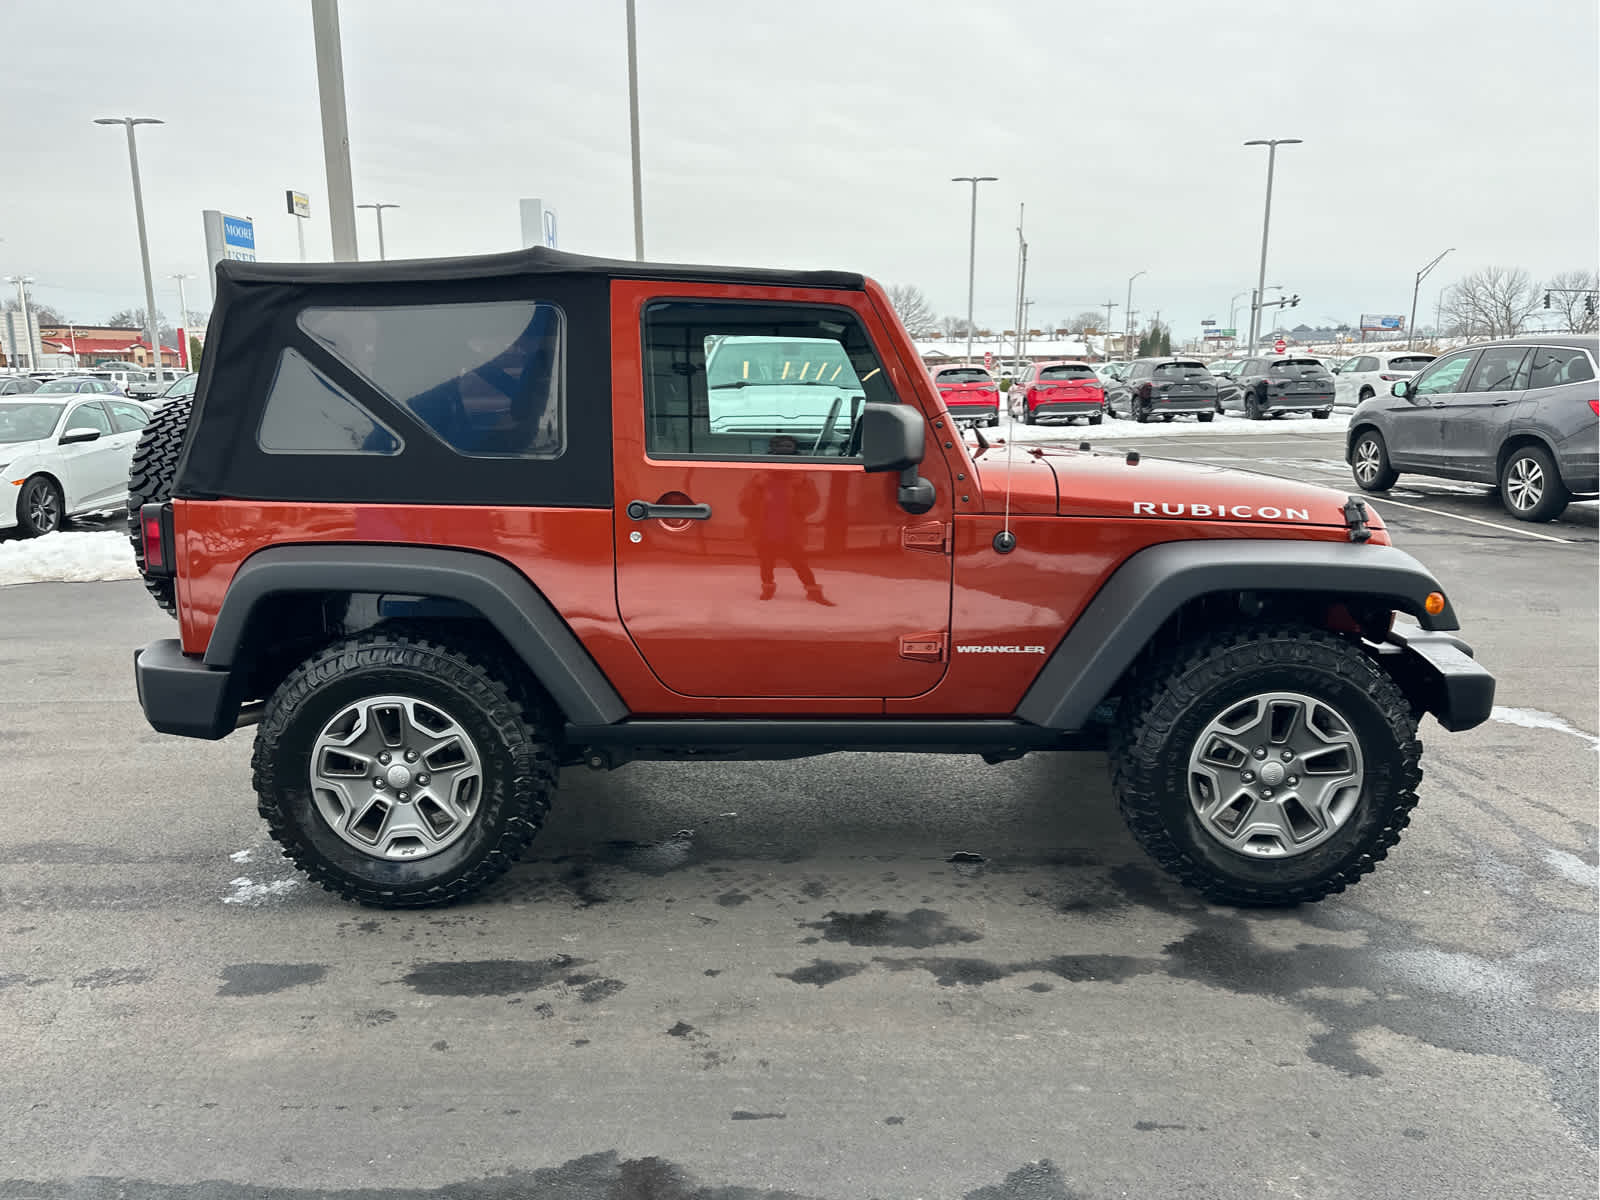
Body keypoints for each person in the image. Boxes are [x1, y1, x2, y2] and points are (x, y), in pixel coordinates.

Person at [738, 435, 834, 605]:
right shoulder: (759, 479)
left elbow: (810, 505)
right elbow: (745, 506)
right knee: (766, 563)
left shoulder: (802, 480)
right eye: (781, 447)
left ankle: (813, 591)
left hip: (790, 531)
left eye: (789, 446)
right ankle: (768, 589)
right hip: (764, 529)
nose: (785, 450)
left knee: (800, 564)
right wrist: (760, 487)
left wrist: (799, 488)